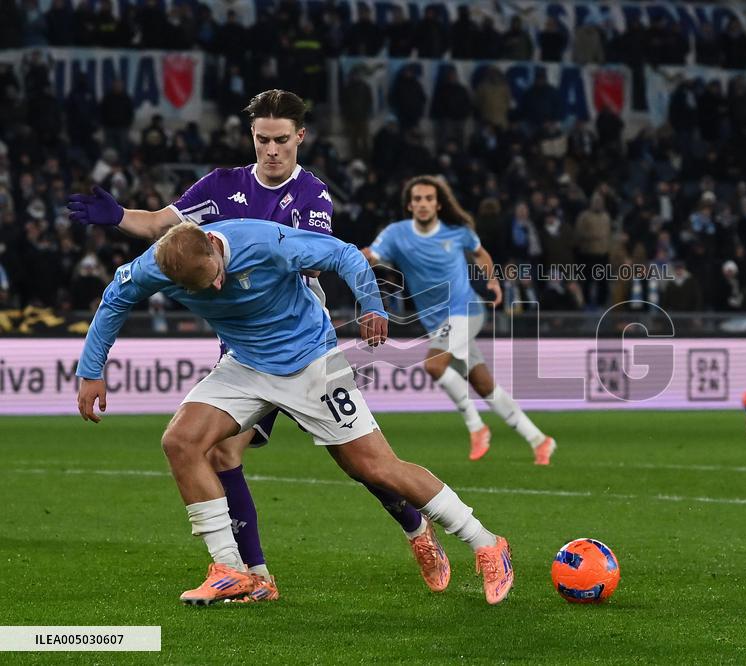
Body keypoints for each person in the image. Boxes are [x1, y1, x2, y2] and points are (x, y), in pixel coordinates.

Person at [67, 90, 440, 601]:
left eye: (281, 140)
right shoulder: (221, 187)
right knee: (219, 451)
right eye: (262, 139)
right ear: (253, 137)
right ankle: (256, 576)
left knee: (360, 463)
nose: (270, 149)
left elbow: (312, 261)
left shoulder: (313, 195)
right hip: (243, 348)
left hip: (302, 342)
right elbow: (160, 227)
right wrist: (119, 217)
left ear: (300, 138)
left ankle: (415, 526)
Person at [76, 220, 514, 605]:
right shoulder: (154, 265)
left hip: (311, 362)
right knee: (180, 441)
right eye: (198, 287)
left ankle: (487, 543)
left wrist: (373, 304)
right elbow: (114, 299)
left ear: (213, 244)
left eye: (214, 276)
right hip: (246, 365)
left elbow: (343, 254)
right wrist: (91, 371)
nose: (212, 288)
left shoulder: (266, 242)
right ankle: (231, 570)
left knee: (375, 467)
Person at [363, 175, 556, 464]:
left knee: (434, 364)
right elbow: (372, 255)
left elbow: (481, 253)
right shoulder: (396, 234)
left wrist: (493, 281)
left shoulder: (457, 231)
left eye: (429, 198)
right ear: (409, 205)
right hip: (437, 322)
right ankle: (539, 439)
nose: (423, 204)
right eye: (417, 199)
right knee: (484, 384)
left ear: (439, 204)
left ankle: (476, 426)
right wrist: (347, 256)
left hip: (467, 310)